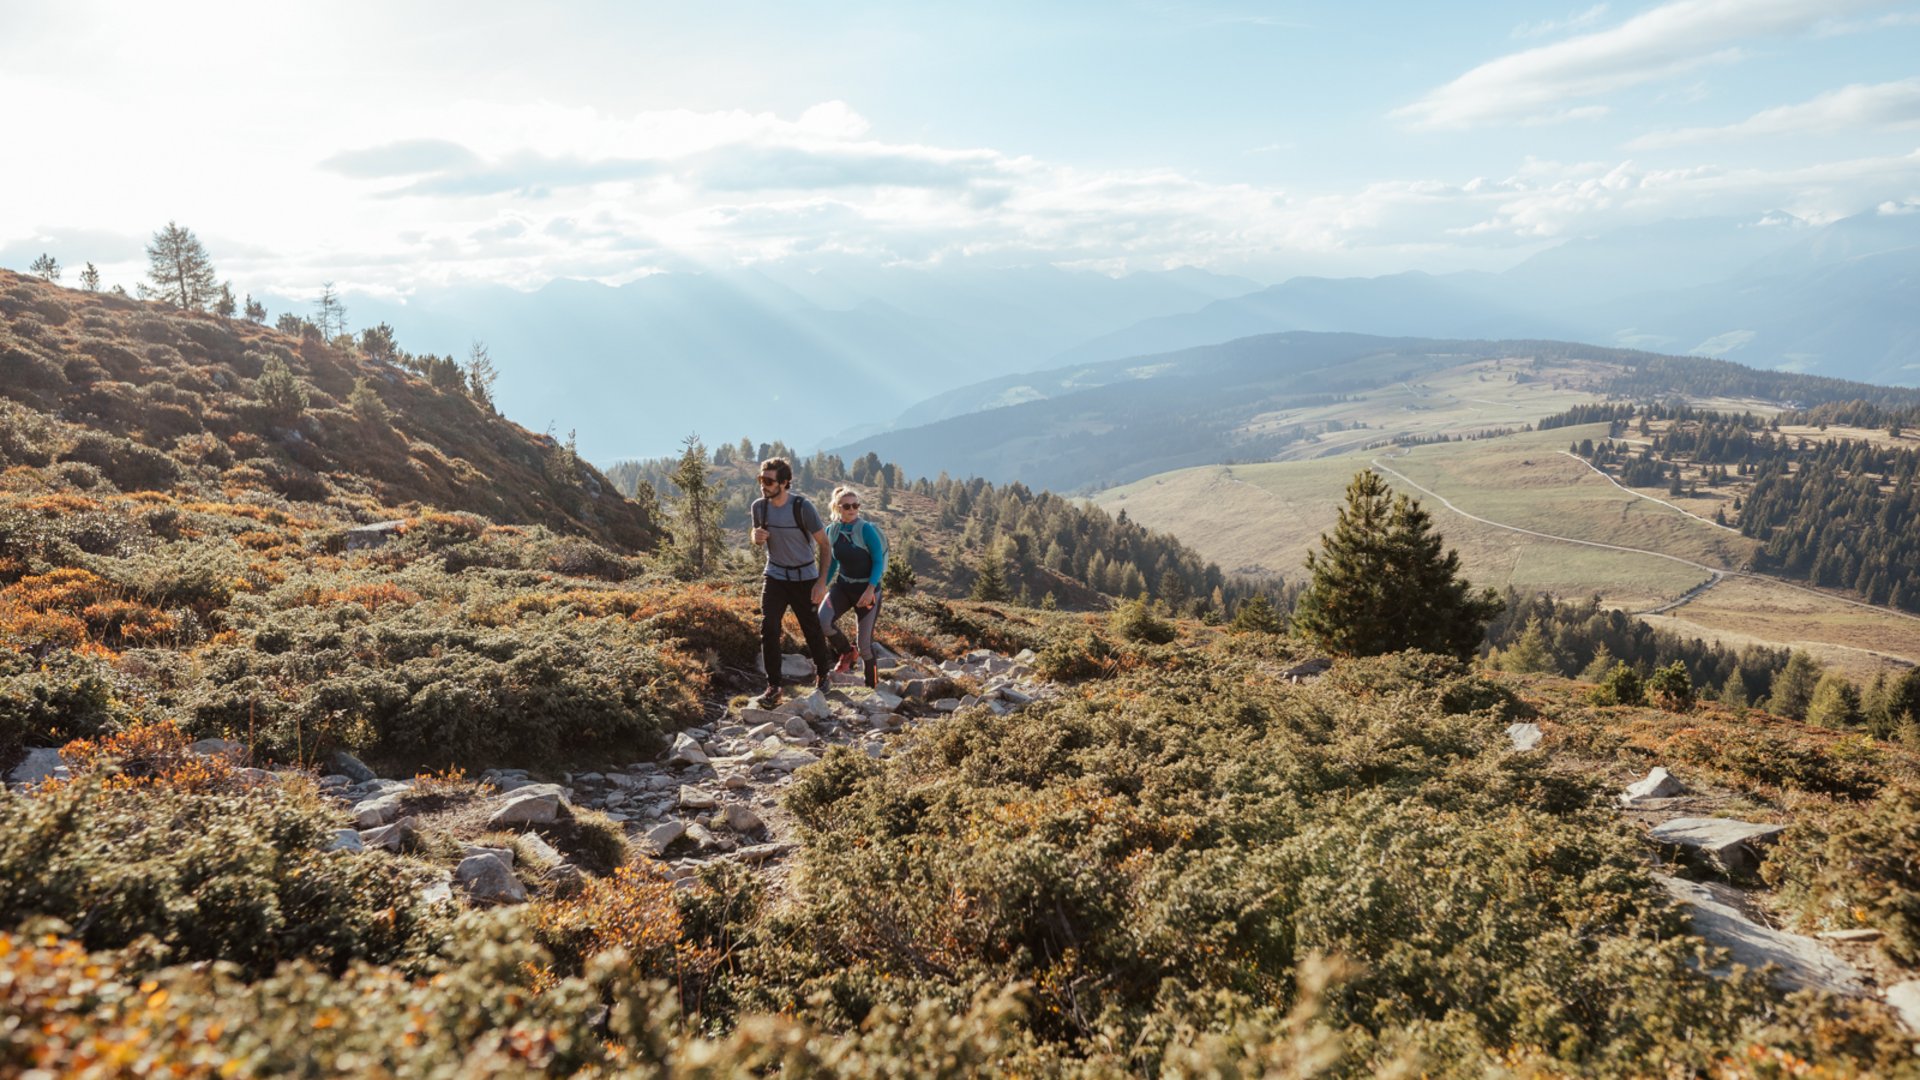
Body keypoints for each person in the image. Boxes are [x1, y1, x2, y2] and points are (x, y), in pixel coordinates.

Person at [749, 457, 833, 703]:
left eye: (769, 481)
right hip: (774, 575)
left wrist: (821, 582)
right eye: (760, 479)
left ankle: (823, 672)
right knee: (769, 627)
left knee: (811, 628)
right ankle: (774, 686)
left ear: (784, 483)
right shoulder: (759, 507)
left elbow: (825, 546)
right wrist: (755, 537)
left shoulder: (802, 507)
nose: (763, 485)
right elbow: (758, 538)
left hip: (804, 578)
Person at [817, 484, 888, 688]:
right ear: (837, 508)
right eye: (847, 506)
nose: (852, 509)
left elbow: (877, 562)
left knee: (865, 645)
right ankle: (847, 652)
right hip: (843, 587)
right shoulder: (832, 531)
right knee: (823, 622)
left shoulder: (866, 530)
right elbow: (831, 563)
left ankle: (872, 687)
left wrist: (869, 590)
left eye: (855, 505)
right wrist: (822, 585)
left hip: (867, 591)